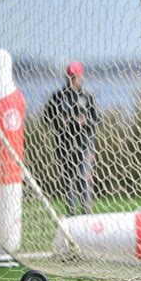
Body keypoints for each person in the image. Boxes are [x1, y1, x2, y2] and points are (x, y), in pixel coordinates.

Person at [44, 61, 99, 215]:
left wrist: (85, 121)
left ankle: (86, 214)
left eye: (75, 77)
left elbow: (96, 120)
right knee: (68, 181)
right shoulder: (57, 97)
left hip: (84, 145)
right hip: (64, 145)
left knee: (83, 178)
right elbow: (46, 118)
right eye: (70, 77)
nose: (72, 80)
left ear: (80, 77)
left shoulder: (88, 97)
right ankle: (71, 215)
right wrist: (60, 121)